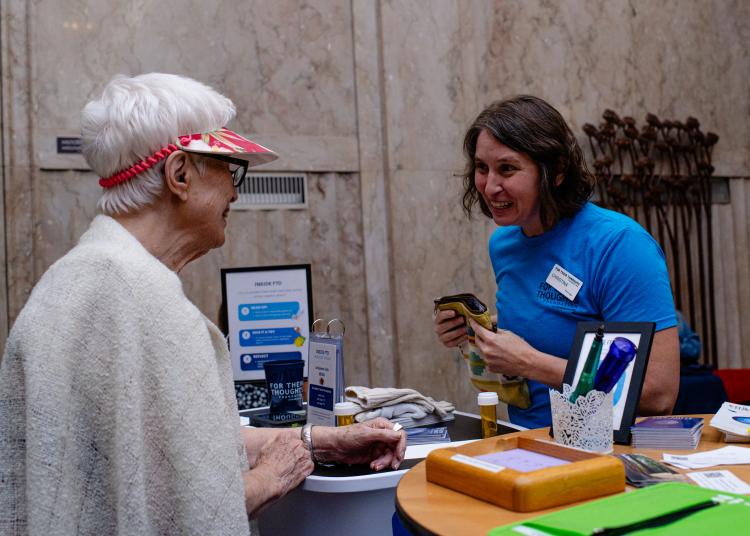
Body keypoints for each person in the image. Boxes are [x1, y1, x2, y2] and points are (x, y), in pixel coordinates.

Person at [0, 73, 405, 535]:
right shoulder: (146, 305)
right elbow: (190, 512)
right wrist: (272, 477)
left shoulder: (77, 282)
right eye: (228, 169)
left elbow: (176, 455)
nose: (235, 191)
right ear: (180, 174)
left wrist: (321, 442)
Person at [433, 95, 679, 429]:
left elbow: (658, 394)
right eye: (482, 168)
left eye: (507, 168)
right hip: (525, 441)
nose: (490, 186)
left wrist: (529, 363)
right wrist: (477, 330)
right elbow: (549, 321)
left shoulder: (620, 245)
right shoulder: (504, 243)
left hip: (602, 453)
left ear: (557, 171)